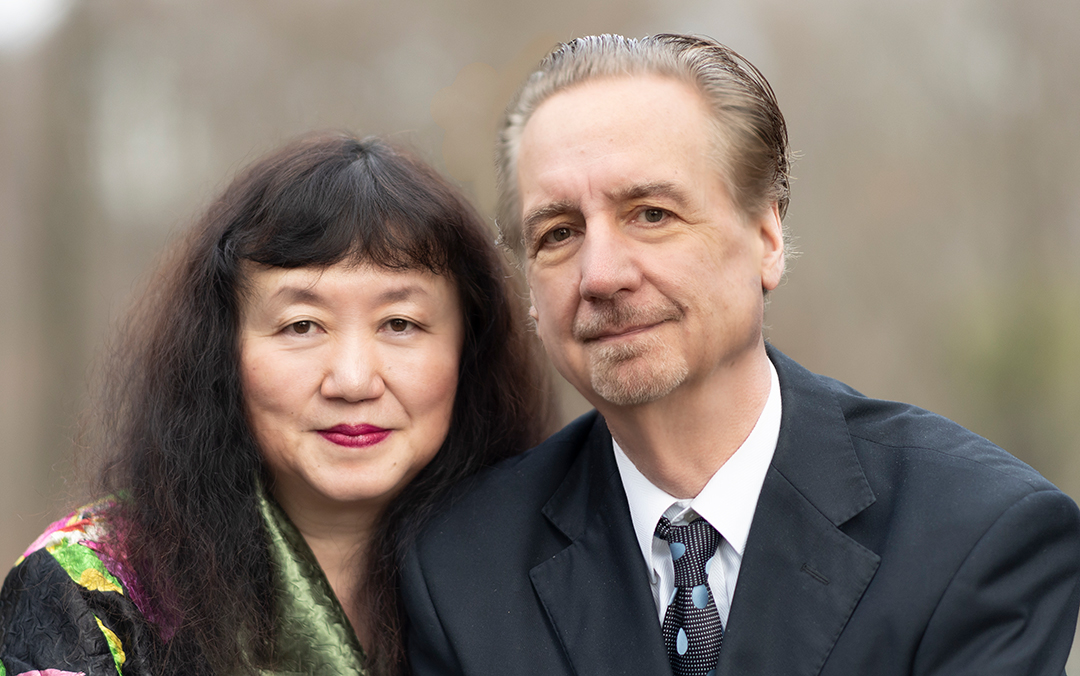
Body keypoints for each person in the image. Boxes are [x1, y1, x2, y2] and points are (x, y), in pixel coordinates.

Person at [401, 33, 1080, 676]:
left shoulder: (976, 536)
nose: (600, 275)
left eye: (652, 214)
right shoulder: (463, 568)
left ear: (766, 238)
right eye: (559, 233)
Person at [0, 133, 552, 676]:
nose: (353, 381)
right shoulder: (87, 591)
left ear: (468, 349)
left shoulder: (547, 571)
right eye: (302, 325)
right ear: (221, 351)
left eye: (400, 323)